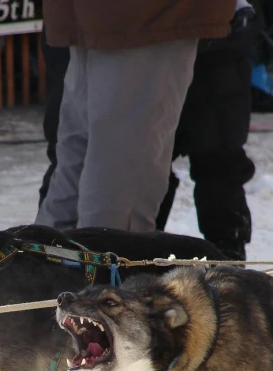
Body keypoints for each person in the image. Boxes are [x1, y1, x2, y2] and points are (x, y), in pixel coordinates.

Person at [34, 0, 238, 233]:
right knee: (125, 169)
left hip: (106, 15)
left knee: (82, 155)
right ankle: (105, 264)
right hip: (148, 17)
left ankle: (52, 263)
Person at [155, 4, 258, 261]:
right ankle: (136, 247)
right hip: (154, 45)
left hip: (218, 43)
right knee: (147, 163)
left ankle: (228, 257)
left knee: (220, 159)